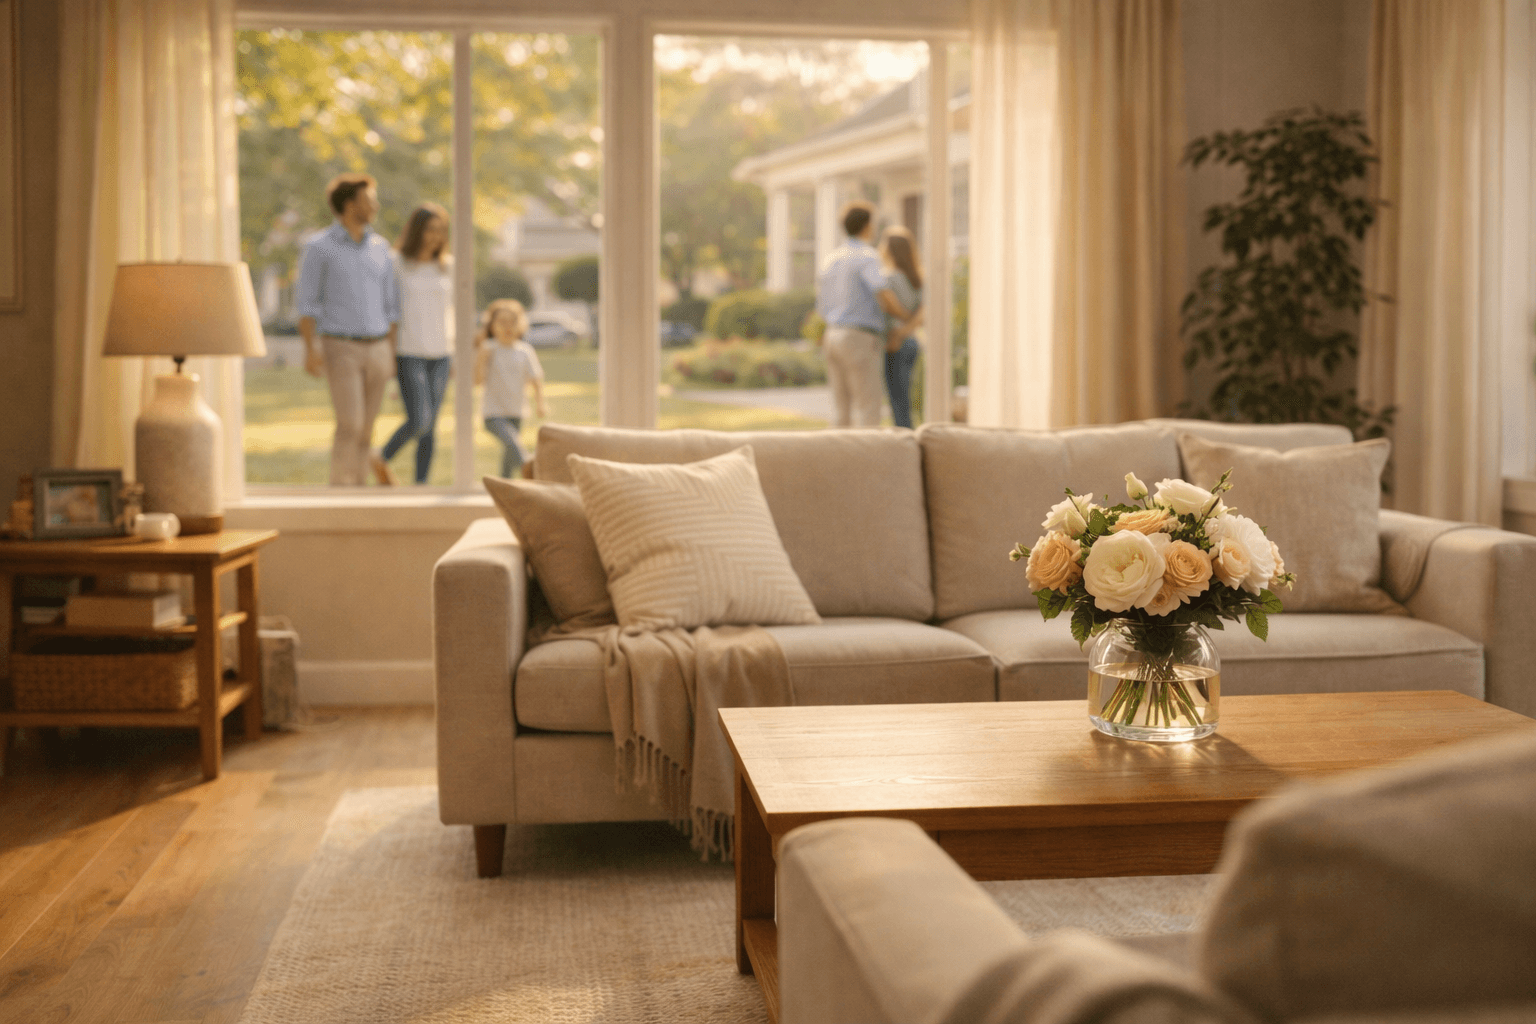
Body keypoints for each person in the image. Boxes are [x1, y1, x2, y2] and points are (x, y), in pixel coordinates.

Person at [295, 173, 401, 486]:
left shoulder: (381, 249)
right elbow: (307, 303)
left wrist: (391, 351)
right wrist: (309, 349)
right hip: (340, 346)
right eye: (369, 200)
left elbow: (391, 306)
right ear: (349, 204)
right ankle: (340, 492)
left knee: (367, 429)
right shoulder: (319, 248)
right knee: (350, 424)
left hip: (379, 346)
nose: (375, 205)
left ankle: (359, 492)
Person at [815, 201, 918, 427]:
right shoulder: (867, 256)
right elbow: (883, 295)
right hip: (859, 337)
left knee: (840, 410)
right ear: (866, 226)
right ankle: (867, 462)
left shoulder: (831, 259)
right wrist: (905, 317)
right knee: (868, 409)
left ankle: (838, 460)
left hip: (832, 335)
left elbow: (821, 303)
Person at [380, 203, 454, 485]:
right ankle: (381, 457)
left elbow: (454, 312)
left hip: (442, 353)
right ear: (417, 230)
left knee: (431, 428)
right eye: (430, 229)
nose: (435, 236)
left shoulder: (448, 265)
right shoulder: (397, 262)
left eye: (440, 230)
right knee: (419, 420)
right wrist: (388, 353)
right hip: (408, 351)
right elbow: (390, 313)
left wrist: (457, 356)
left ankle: (420, 485)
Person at [475, 299, 549, 478]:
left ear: (521, 325)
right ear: (492, 326)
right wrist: (481, 359)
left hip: (516, 411)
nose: (507, 327)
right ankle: (532, 469)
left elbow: (536, 380)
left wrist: (540, 404)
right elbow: (478, 381)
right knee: (512, 443)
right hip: (493, 413)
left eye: (512, 322)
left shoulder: (525, 351)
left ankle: (504, 485)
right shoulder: (489, 349)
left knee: (509, 454)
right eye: (502, 322)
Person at [879, 226, 924, 429]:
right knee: (904, 399)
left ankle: (904, 443)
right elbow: (922, 313)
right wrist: (907, 330)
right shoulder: (918, 279)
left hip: (895, 344)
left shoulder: (888, 278)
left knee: (897, 401)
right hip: (912, 342)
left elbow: (887, 308)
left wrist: (897, 335)